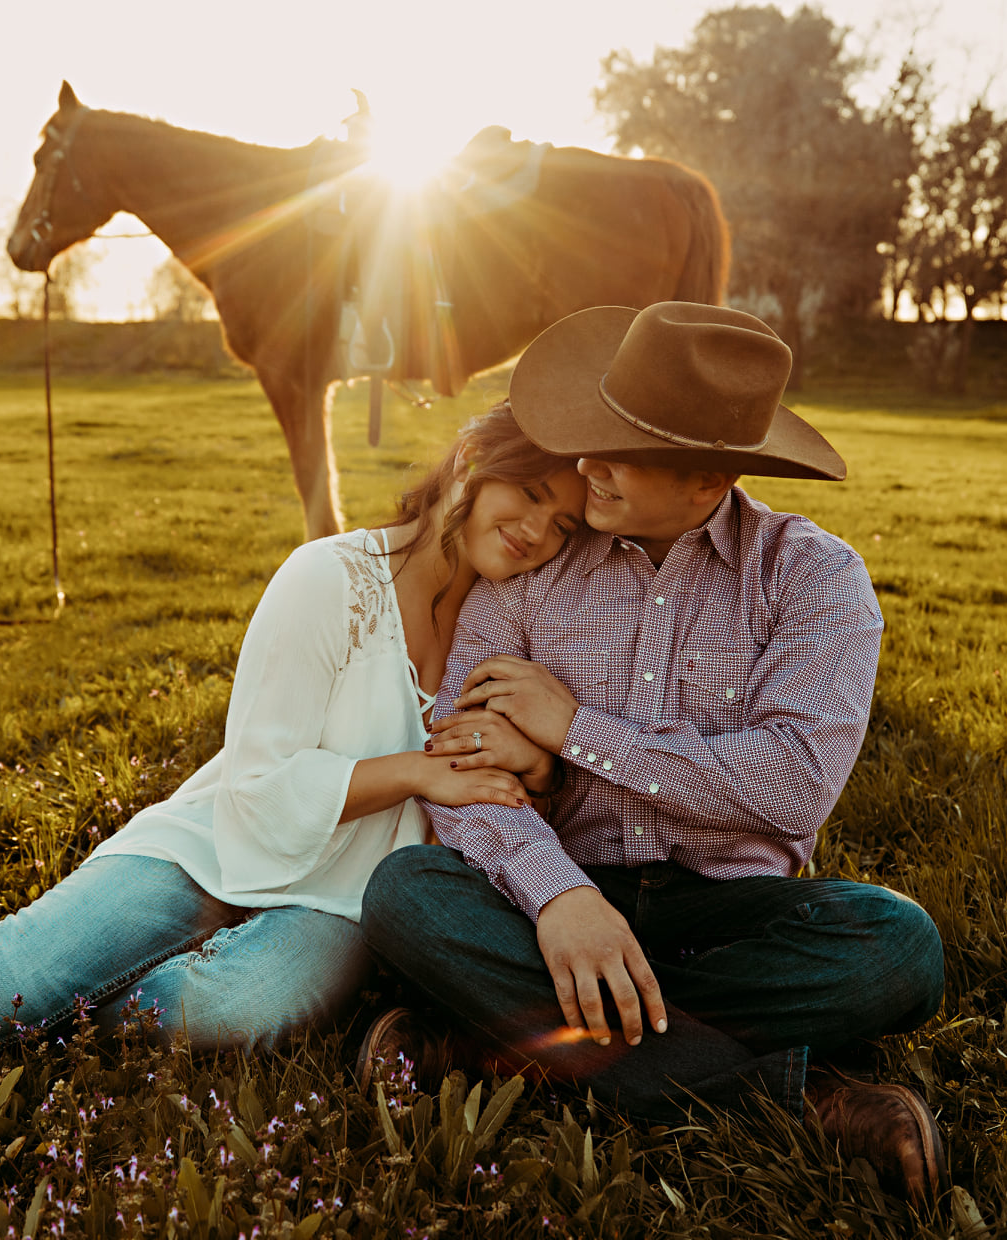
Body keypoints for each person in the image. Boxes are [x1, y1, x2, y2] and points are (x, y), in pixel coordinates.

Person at [0, 404, 586, 1053]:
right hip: (219, 842)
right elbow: (259, 787)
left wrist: (540, 769)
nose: (537, 533)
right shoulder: (330, 577)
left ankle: (68, 1001)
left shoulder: (505, 624)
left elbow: (507, 776)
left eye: (563, 529)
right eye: (534, 495)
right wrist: (414, 771)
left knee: (244, 1009)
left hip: (341, 896)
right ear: (474, 465)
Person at [356, 302, 948, 1206]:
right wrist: (560, 896)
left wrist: (575, 729)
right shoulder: (538, 566)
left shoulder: (814, 577)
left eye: (617, 447)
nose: (584, 461)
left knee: (898, 948)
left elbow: (791, 785)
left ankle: (492, 1044)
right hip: (559, 888)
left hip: (732, 912)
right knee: (408, 896)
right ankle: (799, 1099)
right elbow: (463, 770)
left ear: (708, 479)